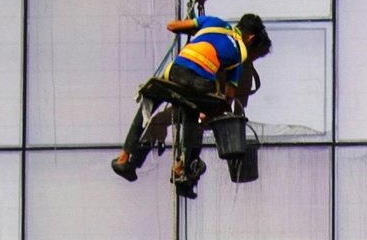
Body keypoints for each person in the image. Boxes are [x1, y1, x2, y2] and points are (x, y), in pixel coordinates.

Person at [111, 12, 271, 198]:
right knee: (193, 112)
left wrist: (198, 29)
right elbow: (229, 95)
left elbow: (172, 26)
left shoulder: (213, 22)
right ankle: (181, 168)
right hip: (200, 85)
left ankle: (124, 158)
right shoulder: (240, 53)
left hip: (176, 72)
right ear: (250, 39)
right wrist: (212, 113)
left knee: (149, 102)